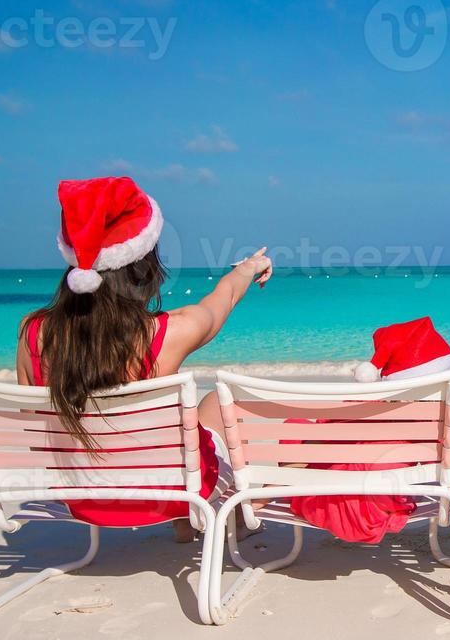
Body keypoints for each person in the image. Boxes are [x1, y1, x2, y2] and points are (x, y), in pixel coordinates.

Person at [17, 176, 273, 542]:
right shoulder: (170, 332)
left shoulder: (33, 333)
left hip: (80, 496)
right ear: (143, 263)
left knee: (203, 408)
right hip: (167, 493)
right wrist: (248, 267)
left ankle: (188, 522)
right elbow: (223, 300)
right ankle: (202, 518)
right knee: (222, 404)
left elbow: (36, 425)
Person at [280, 317, 450, 580]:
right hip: (376, 516)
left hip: (328, 507)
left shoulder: (359, 408)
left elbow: (310, 451)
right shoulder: (431, 431)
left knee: (299, 428)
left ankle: (274, 488)